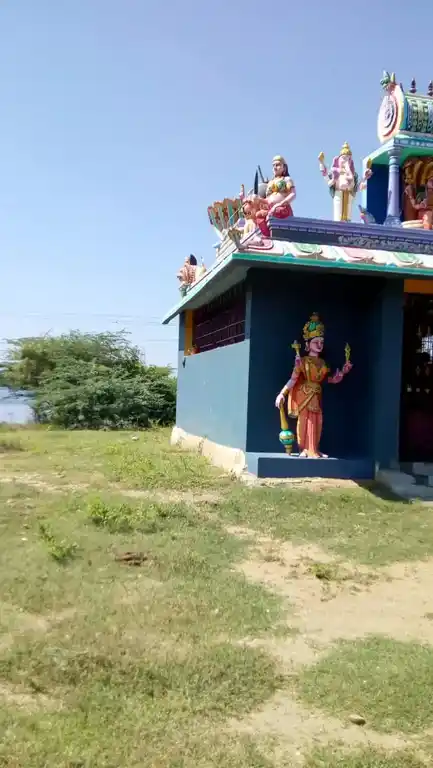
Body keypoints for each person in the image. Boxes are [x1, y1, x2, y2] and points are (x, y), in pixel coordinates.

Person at [275, 314, 352, 458]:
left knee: (317, 422)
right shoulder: (302, 361)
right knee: (304, 421)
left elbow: (330, 380)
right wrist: (282, 394)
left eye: (321, 341)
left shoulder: (323, 363)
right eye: (316, 341)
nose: (319, 344)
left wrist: (342, 372)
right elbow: (293, 379)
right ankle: (304, 449)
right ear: (308, 344)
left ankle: (314, 449)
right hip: (304, 394)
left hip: (316, 394)